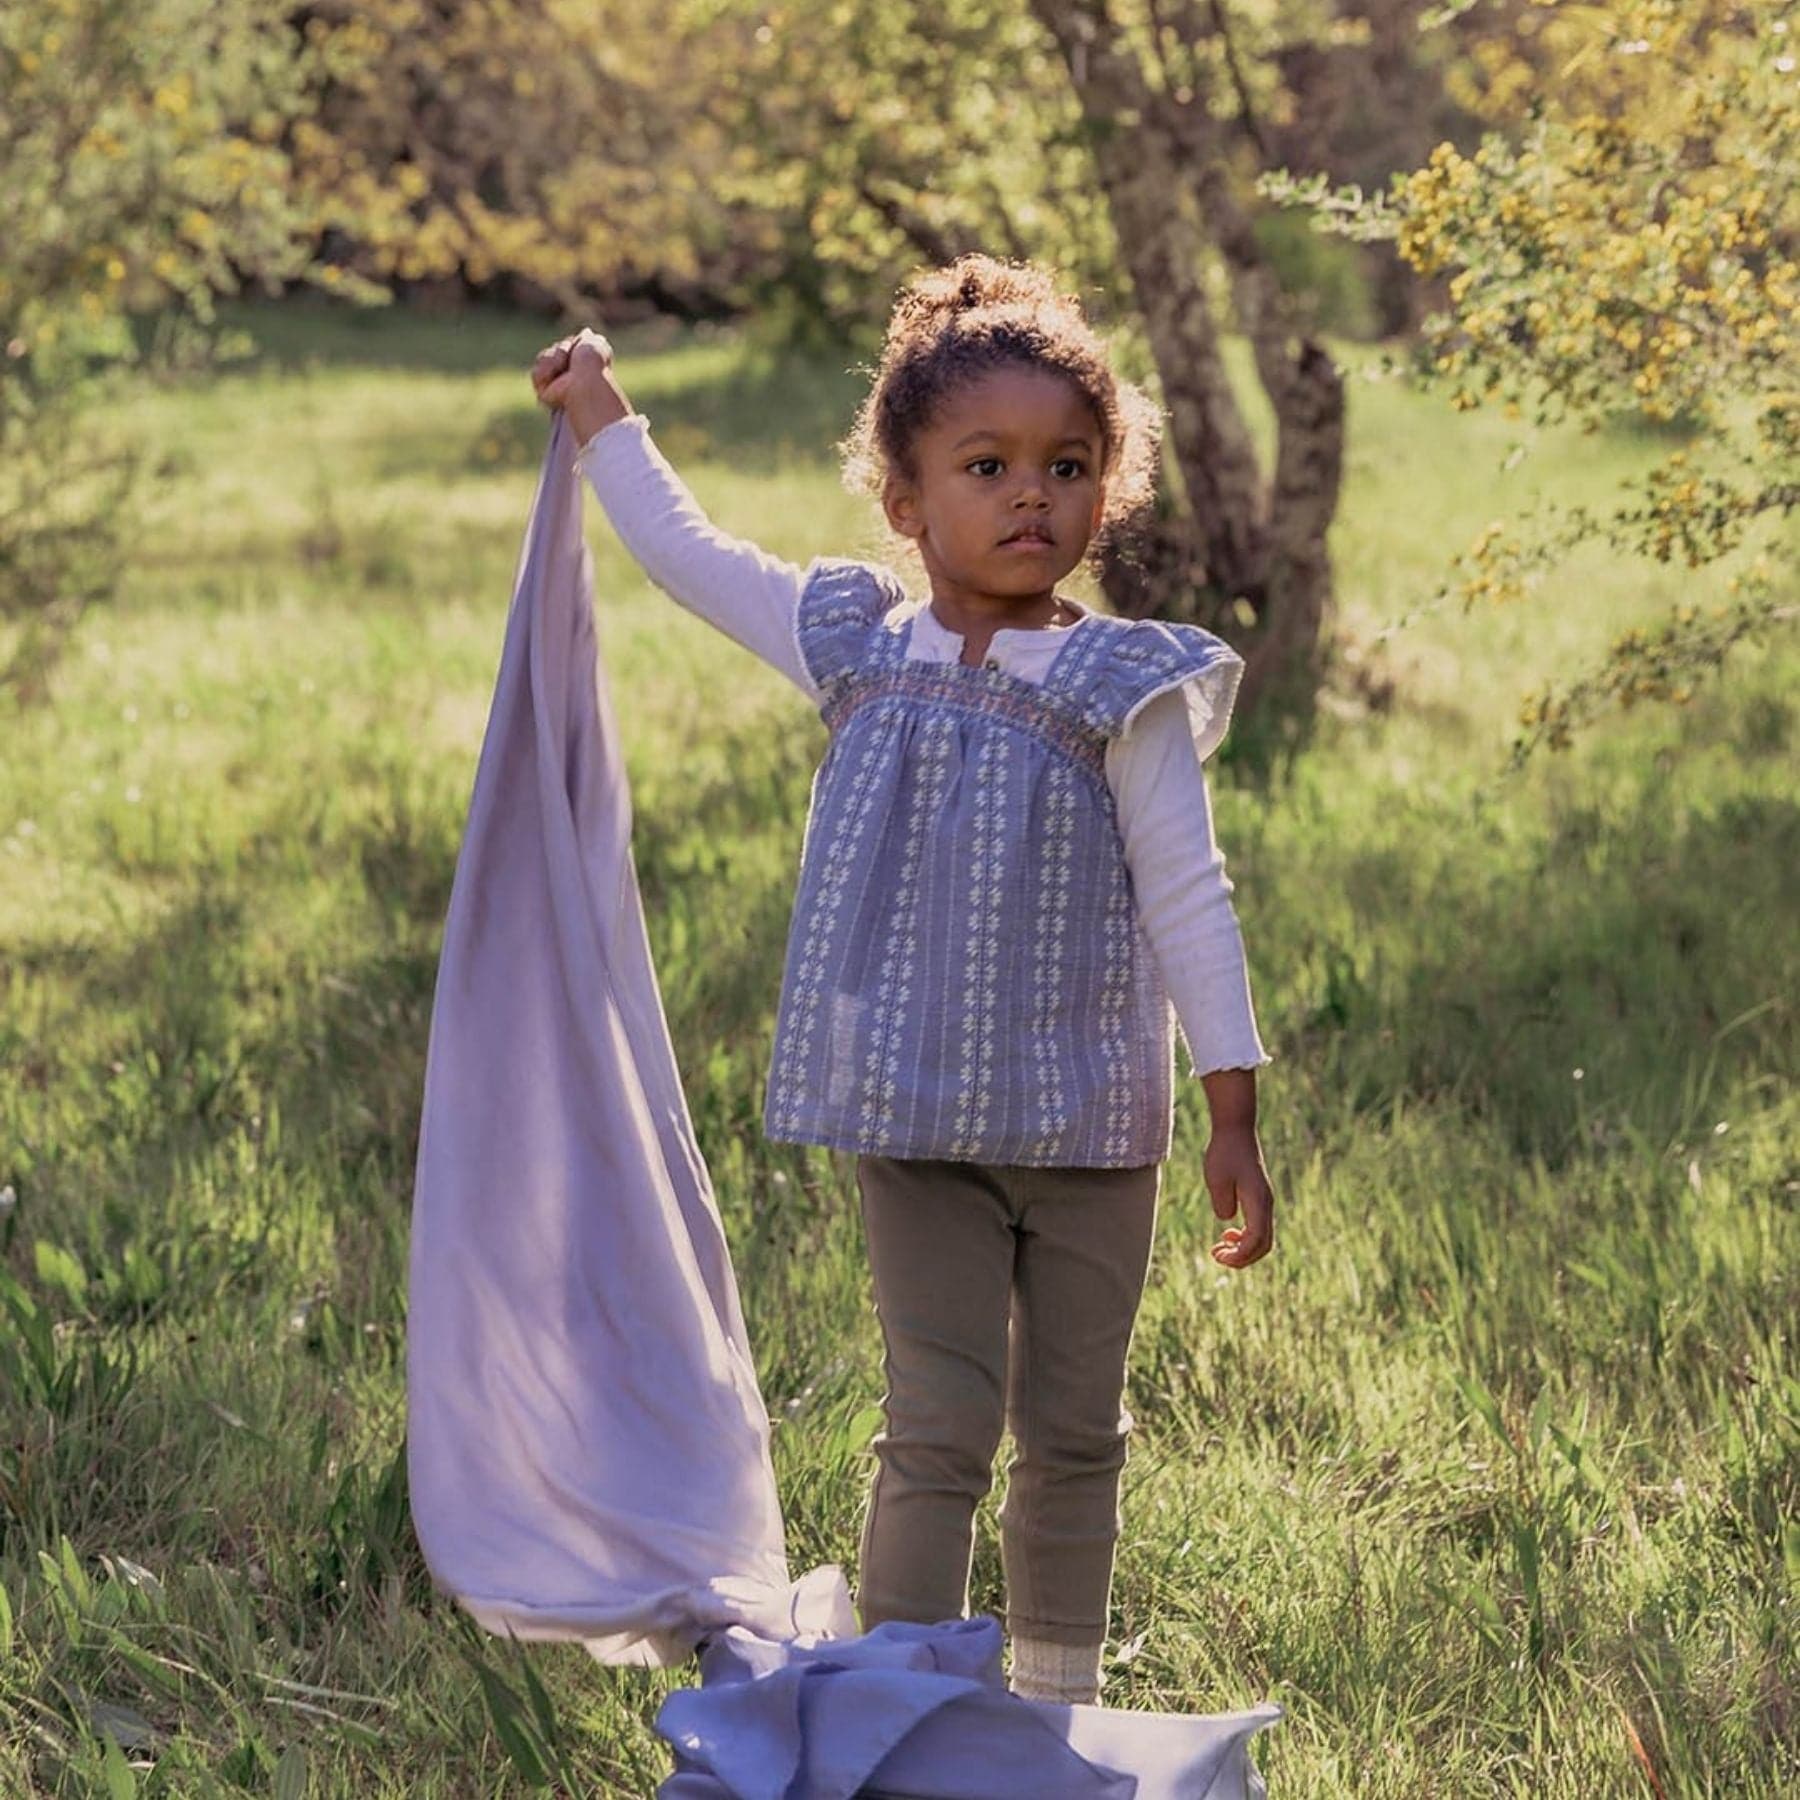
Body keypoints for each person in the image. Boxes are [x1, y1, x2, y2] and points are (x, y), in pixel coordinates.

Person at [532, 253, 1278, 1708]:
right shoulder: (856, 645)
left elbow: (1191, 896)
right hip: (918, 1129)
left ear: (1108, 488)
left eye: (1068, 467)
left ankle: (1053, 1707)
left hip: (1090, 1135)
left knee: (1077, 1433)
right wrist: (602, 414)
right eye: (987, 467)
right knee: (935, 1430)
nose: (1031, 498)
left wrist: (1231, 1106)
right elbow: (690, 556)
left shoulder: (1121, 686)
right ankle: (902, 1708)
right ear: (905, 497)